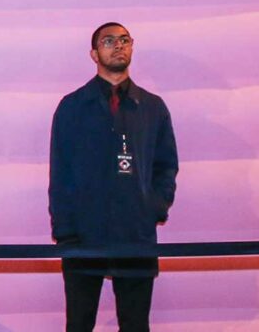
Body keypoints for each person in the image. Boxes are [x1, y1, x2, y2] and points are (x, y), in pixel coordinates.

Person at [49, 22, 178, 332]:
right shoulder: (72, 107)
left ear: (132, 47)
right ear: (94, 53)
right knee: (79, 324)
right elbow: (60, 171)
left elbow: (166, 166)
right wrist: (65, 232)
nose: (118, 45)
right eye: (108, 41)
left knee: (135, 325)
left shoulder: (153, 108)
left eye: (124, 40)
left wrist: (153, 208)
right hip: (82, 235)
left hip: (136, 233)